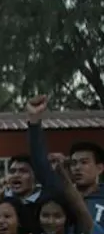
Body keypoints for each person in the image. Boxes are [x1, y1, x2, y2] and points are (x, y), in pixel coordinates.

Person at [27, 95, 104, 226]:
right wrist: (34, 121)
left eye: (84, 162)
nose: (77, 168)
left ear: (99, 168)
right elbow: (41, 163)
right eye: (73, 163)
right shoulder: (61, 193)